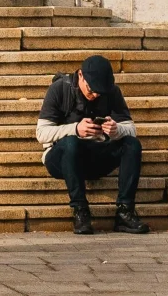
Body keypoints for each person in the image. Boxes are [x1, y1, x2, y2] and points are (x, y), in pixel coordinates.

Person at [36, 54, 151, 235]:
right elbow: (41, 133)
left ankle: (125, 211)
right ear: (81, 75)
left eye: (100, 92)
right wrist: (75, 129)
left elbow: (131, 129)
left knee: (132, 144)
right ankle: (80, 211)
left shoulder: (111, 92)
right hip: (62, 159)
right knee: (71, 142)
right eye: (92, 89)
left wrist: (116, 130)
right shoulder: (59, 89)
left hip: (96, 156)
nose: (95, 95)